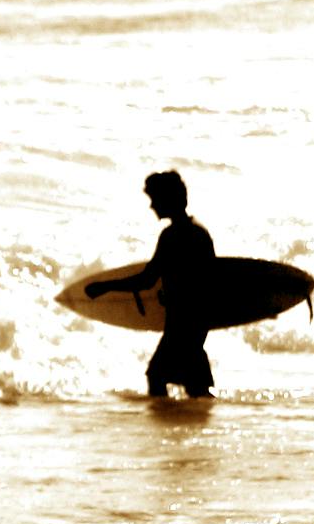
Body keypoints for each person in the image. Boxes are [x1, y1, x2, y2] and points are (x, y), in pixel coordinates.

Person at [88, 169, 220, 399]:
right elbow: (207, 280)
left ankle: (169, 426)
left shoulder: (174, 235)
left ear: (167, 199)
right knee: (194, 386)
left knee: (157, 375)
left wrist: (105, 287)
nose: (152, 206)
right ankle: (193, 427)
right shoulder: (199, 232)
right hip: (197, 319)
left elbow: (147, 279)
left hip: (183, 321)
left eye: (154, 199)